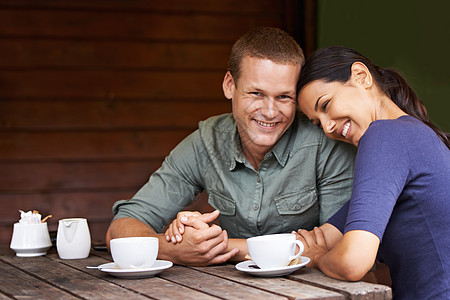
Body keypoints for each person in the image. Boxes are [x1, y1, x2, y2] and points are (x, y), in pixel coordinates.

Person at [106, 28, 356, 266]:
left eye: (283, 97)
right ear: (229, 85)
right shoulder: (204, 143)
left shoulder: (327, 144)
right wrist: (173, 248)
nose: (270, 112)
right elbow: (121, 229)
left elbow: (340, 247)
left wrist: (213, 247)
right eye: (256, 93)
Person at [295, 46, 450, 299]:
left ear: (361, 76)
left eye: (325, 105)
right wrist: (218, 244)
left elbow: (352, 262)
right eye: (316, 122)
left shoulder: (384, 135)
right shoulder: (409, 139)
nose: (326, 127)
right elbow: (318, 239)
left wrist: (321, 259)